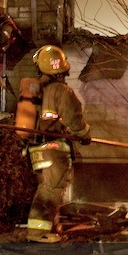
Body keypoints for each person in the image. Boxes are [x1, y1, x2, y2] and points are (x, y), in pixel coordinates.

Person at [25, 45, 91, 243]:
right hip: (52, 149)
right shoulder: (61, 91)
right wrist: (84, 134)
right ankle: (37, 233)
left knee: (47, 187)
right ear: (62, 68)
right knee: (51, 190)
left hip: (35, 149)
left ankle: (50, 228)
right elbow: (74, 118)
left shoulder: (36, 91)